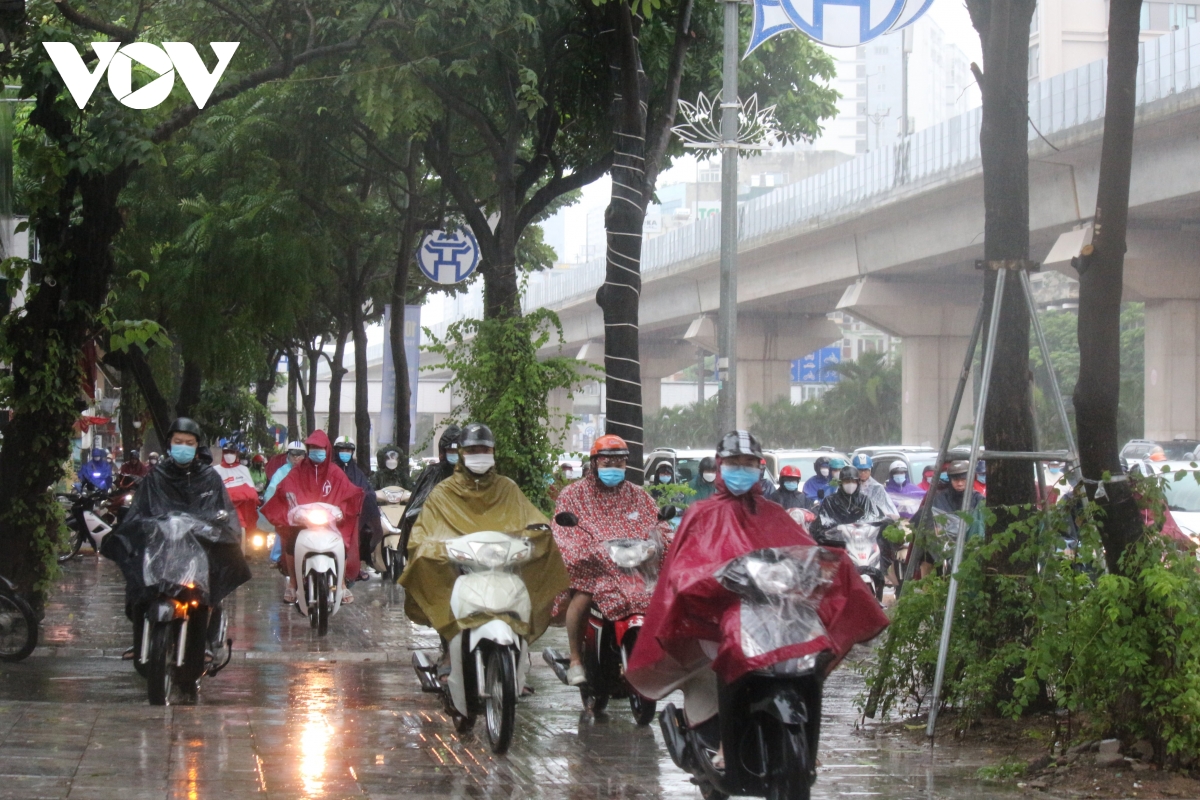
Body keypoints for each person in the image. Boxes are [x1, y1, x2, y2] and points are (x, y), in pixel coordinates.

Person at [626, 431, 888, 729]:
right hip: (716, 614)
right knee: (733, 645)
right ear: (721, 465)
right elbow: (683, 569)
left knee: (812, 648)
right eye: (734, 462)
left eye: (748, 462)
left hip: (774, 613)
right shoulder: (701, 514)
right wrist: (715, 580)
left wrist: (828, 565)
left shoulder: (774, 513)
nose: (741, 469)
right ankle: (726, 740)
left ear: (759, 467)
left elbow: (801, 552)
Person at [399, 422, 568, 648]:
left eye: (485, 451)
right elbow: (425, 533)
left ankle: (519, 653)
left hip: (501, 565)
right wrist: (432, 548)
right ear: (461, 453)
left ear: (493, 452)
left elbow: (532, 519)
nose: (479, 456)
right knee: (437, 577)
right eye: (472, 451)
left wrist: (538, 532)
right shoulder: (443, 492)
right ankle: (450, 648)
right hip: (460, 567)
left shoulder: (507, 488)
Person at [100, 418, 251, 667]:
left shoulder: (209, 478)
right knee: (141, 589)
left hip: (197, 553)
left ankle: (204, 643)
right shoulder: (156, 476)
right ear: (169, 444)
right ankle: (140, 641)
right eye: (178, 442)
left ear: (196, 446)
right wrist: (143, 526)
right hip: (161, 552)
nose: (183, 447)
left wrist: (210, 528)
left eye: (188, 443)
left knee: (203, 594)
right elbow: (141, 510)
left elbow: (222, 513)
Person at [551, 434, 671, 685]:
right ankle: (575, 660)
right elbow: (563, 532)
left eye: (619, 464)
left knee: (663, 595)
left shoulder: (638, 495)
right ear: (595, 464)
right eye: (608, 464)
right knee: (583, 596)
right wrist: (586, 551)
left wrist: (663, 542)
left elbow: (658, 525)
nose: (614, 469)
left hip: (633, 568)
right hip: (594, 568)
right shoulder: (573, 495)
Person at [261, 432, 365, 605]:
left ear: (327, 450)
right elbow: (286, 485)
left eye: (320, 449)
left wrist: (347, 504)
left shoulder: (335, 472)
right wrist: (291, 501)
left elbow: (348, 489)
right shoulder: (299, 469)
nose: (317, 452)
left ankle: (341, 583)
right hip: (304, 521)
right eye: (313, 448)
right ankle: (293, 584)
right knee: (291, 542)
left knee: (342, 543)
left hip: (329, 521)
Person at [394, 425, 461, 571]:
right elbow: (417, 505)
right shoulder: (433, 473)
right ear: (443, 451)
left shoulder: (469, 473)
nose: (453, 454)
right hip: (435, 533)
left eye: (456, 451)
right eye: (450, 450)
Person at [909, 460, 985, 576]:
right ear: (950, 480)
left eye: (963, 480)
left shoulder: (979, 499)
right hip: (941, 545)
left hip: (969, 545)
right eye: (956, 480)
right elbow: (927, 521)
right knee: (926, 556)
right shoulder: (939, 498)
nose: (959, 483)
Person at [331, 436, 382, 581]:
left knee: (364, 533)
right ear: (336, 451)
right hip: (331, 513)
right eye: (342, 450)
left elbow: (366, 490)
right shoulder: (330, 469)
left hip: (354, 514)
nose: (345, 453)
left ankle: (355, 567)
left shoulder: (357, 471)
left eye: (348, 450)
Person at [810, 465, 890, 542]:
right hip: (838, 543)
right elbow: (823, 526)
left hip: (861, 542)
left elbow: (877, 518)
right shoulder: (830, 501)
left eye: (853, 481)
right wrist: (847, 520)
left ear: (858, 482)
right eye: (847, 481)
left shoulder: (864, 500)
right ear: (841, 483)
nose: (850, 484)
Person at [212, 439, 260, 542]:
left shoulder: (243, 470)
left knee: (241, 532)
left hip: (242, 510)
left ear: (236, 453)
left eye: (231, 452)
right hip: (222, 509)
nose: (229, 455)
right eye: (226, 452)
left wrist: (236, 496)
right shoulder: (216, 470)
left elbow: (251, 494)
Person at [850, 453, 899, 521]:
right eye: (860, 470)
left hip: (873, 523)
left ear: (870, 471)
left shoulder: (877, 488)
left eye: (866, 470)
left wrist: (890, 515)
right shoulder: (848, 486)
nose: (863, 473)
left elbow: (885, 507)